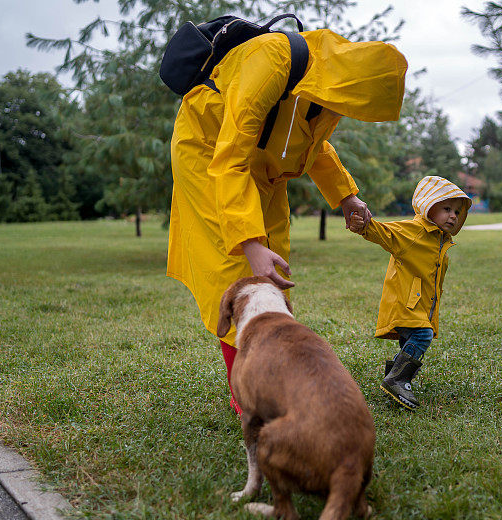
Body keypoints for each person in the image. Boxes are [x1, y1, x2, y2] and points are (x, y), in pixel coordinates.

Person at [166, 27, 408, 415]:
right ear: (352, 81)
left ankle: (271, 370)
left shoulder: (327, 90)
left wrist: (346, 196)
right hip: (210, 153)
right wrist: (249, 241)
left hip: (265, 170)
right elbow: (230, 158)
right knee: (239, 271)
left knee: (274, 271)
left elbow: (313, 143)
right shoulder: (273, 59)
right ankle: (245, 393)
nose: (349, 115)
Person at [348, 176, 471, 410]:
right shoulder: (413, 232)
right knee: (423, 336)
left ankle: (393, 374)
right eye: (447, 209)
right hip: (405, 303)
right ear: (428, 206)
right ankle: (397, 378)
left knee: (411, 340)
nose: (453, 216)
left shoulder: (439, 241)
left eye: (456, 211)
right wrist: (364, 225)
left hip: (421, 307)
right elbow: (385, 232)